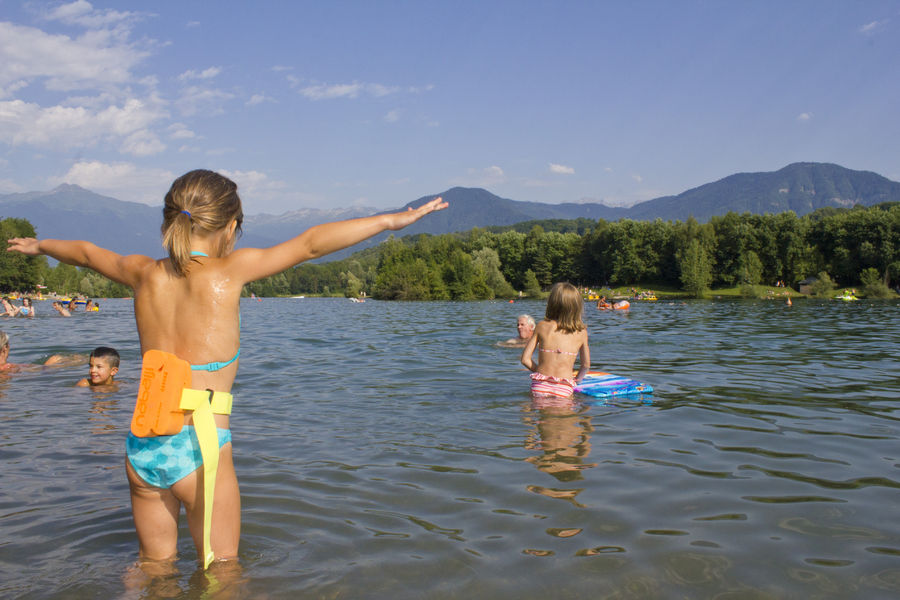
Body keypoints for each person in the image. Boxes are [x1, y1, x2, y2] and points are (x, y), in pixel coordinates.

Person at [7, 168, 447, 569]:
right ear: (231, 226)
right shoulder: (231, 271)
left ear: (170, 222)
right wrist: (391, 221)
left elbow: (84, 253)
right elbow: (312, 244)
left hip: (143, 444)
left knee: (151, 570)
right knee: (223, 575)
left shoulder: (142, 273)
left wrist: (38, 246)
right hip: (202, 446)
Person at [521, 282, 590, 399]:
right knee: (567, 415)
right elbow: (586, 364)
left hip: (540, 386)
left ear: (551, 304)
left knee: (538, 414)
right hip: (564, 387)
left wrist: (541, 372)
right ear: (576, 307)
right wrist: (577, 381)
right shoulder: (581, 332)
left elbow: (525, 359)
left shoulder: (542, 326)